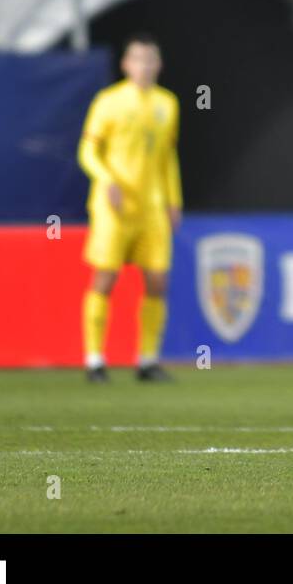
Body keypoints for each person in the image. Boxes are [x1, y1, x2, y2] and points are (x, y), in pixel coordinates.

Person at [78, 34, 182, 384]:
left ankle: (147, 361)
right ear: (126, 64)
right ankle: (94, 360)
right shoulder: (108, 102)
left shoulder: (168, 104)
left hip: (152, 206)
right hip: (113, 205)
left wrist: (174, 199)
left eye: (150, 59)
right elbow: (87, 151)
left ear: (159, 64)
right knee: (105, 278)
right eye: (138, 59)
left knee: (157, 281)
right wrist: (107, 179)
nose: (144, 66)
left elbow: (167, 157)